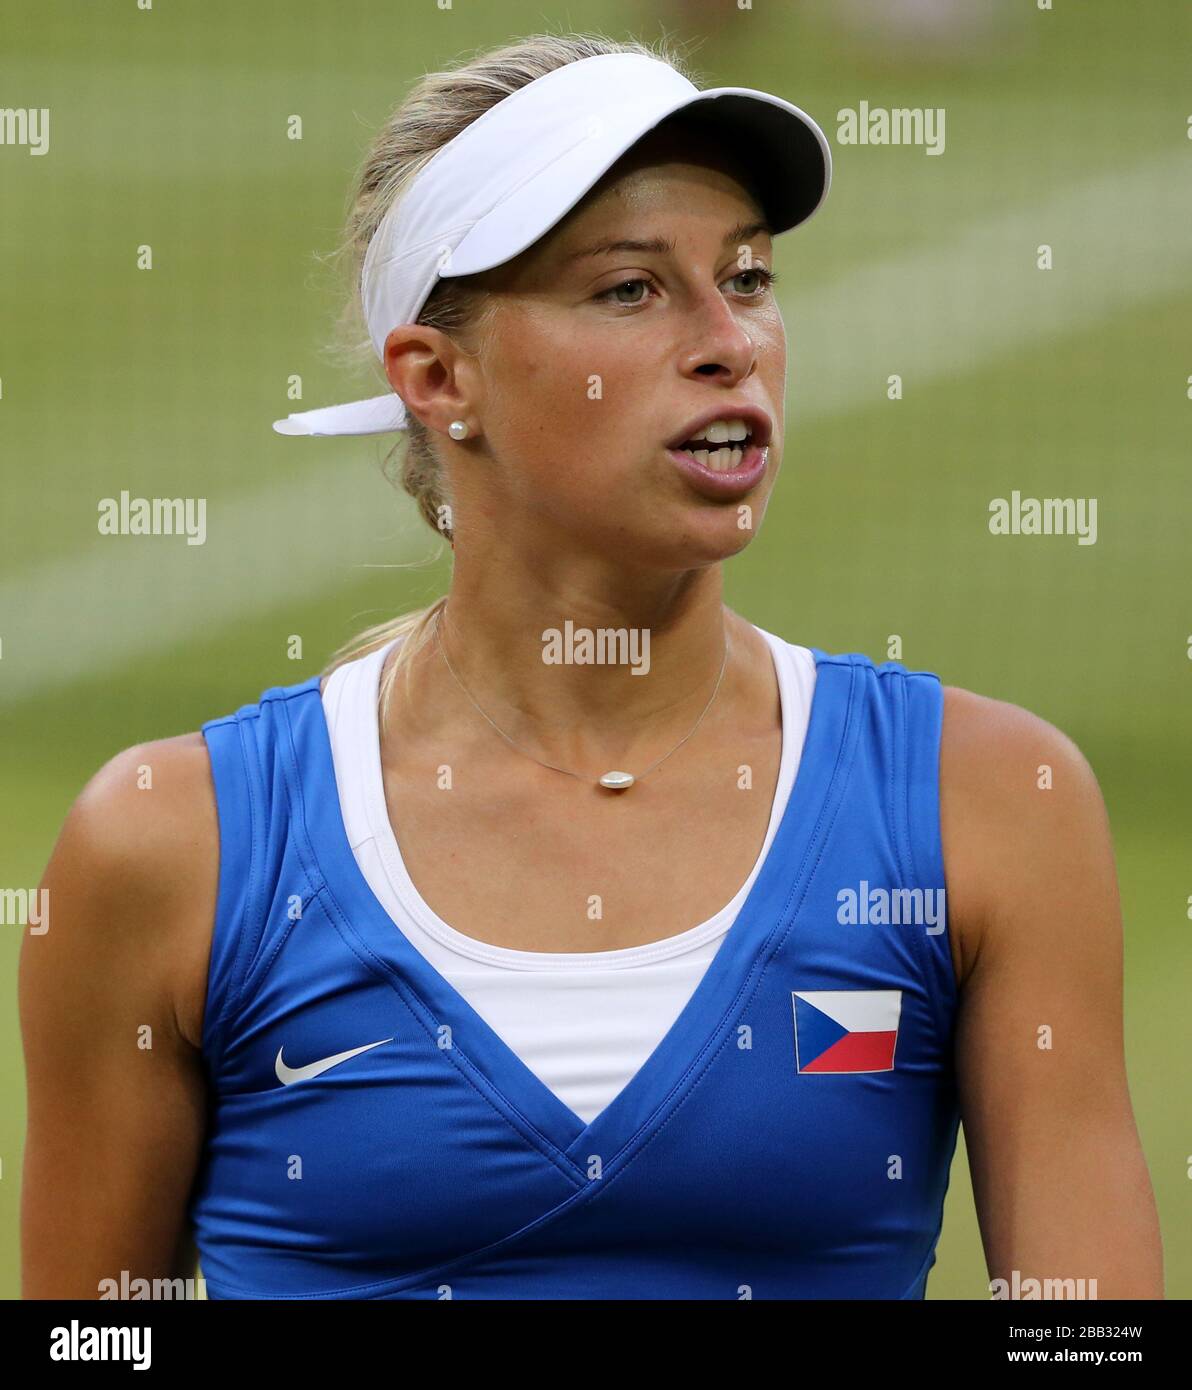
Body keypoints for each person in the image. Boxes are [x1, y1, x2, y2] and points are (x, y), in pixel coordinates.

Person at [20, 32, 1162, 1300]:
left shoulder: (991, 804)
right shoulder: (170, 846)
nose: (728, 339)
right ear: (439, 377)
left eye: (748, 277)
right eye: (630, 289)